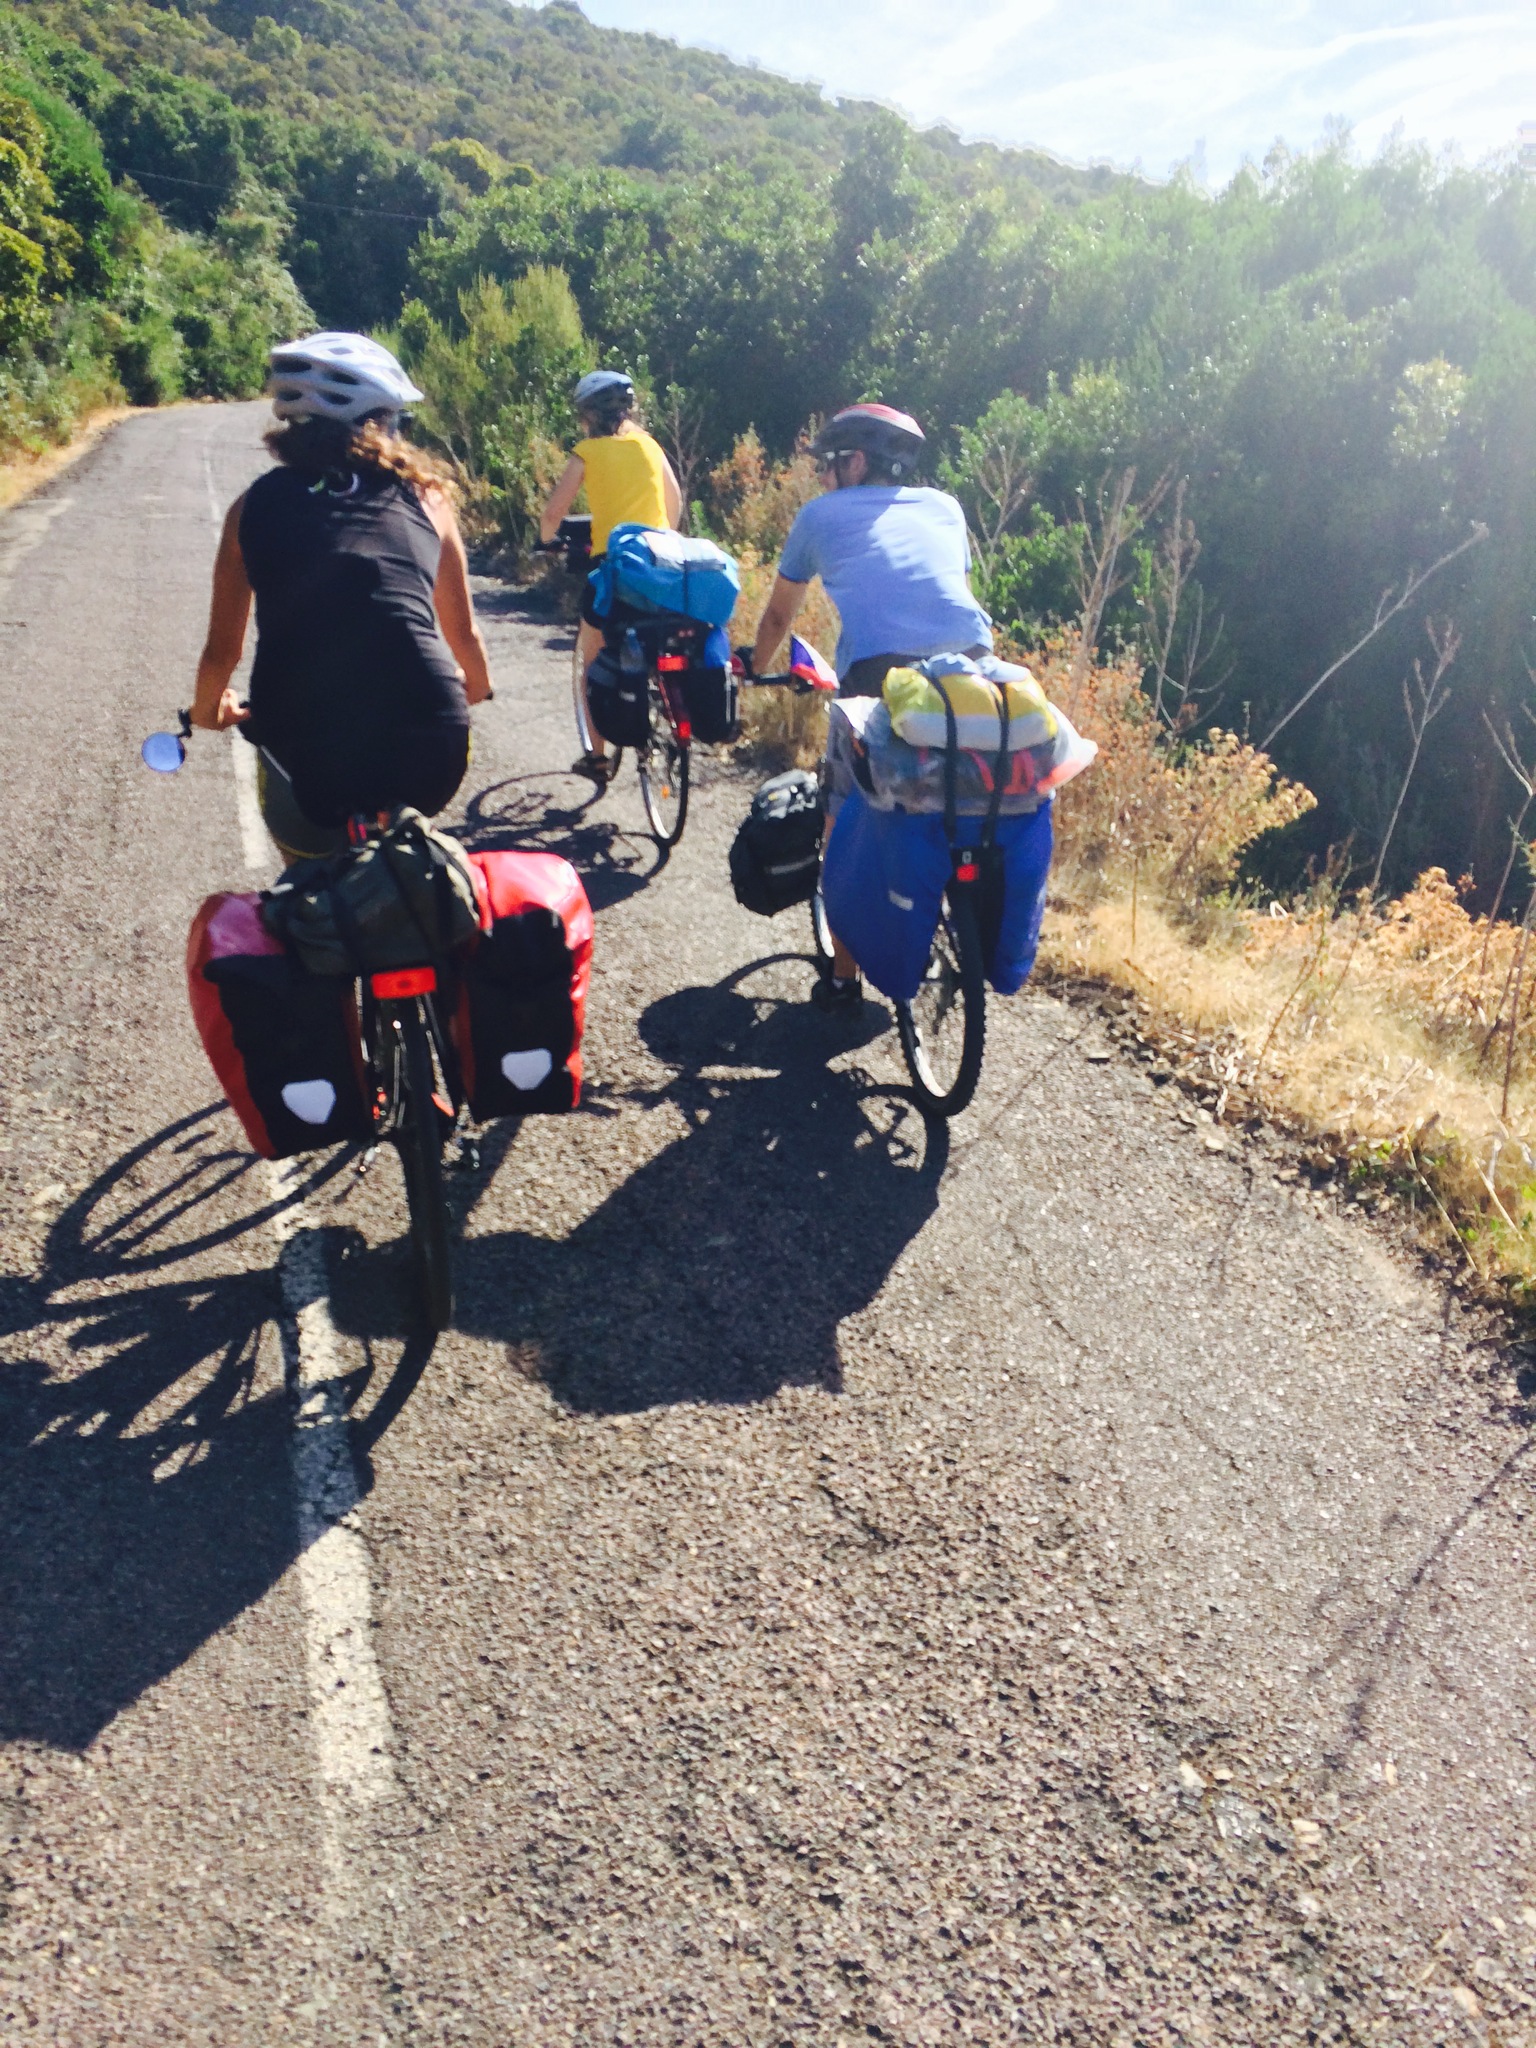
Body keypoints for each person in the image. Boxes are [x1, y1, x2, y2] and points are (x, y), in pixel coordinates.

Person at [190, 330, 494, 862]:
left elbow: (223, 652)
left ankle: (309, 901)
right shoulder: (428, 498)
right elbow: (462, 632)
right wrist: (476, 685)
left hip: (303, 745)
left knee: (308, 880)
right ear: (384, 423)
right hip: (430, 745)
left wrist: (207, 712)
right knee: (408, 866)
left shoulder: (251, 507)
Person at [748, 403, 993, 1011]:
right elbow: (942, 598)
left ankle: (843, 978)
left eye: (826, 466)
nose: (821, 478)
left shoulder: (820, 516)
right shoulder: (945, 507)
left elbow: (778, 616)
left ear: (856, 462)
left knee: (843, 825)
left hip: (878, 680)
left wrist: (754, 665)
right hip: (974, 673)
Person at [540, 368, 682, 783]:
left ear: (588, 414)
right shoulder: (651, 445)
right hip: (662, 564)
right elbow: (674, 502)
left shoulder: (587, 452)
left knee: (592, 655)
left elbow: (553, 513)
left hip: (615, 569)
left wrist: (547, 540)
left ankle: (597, 757)